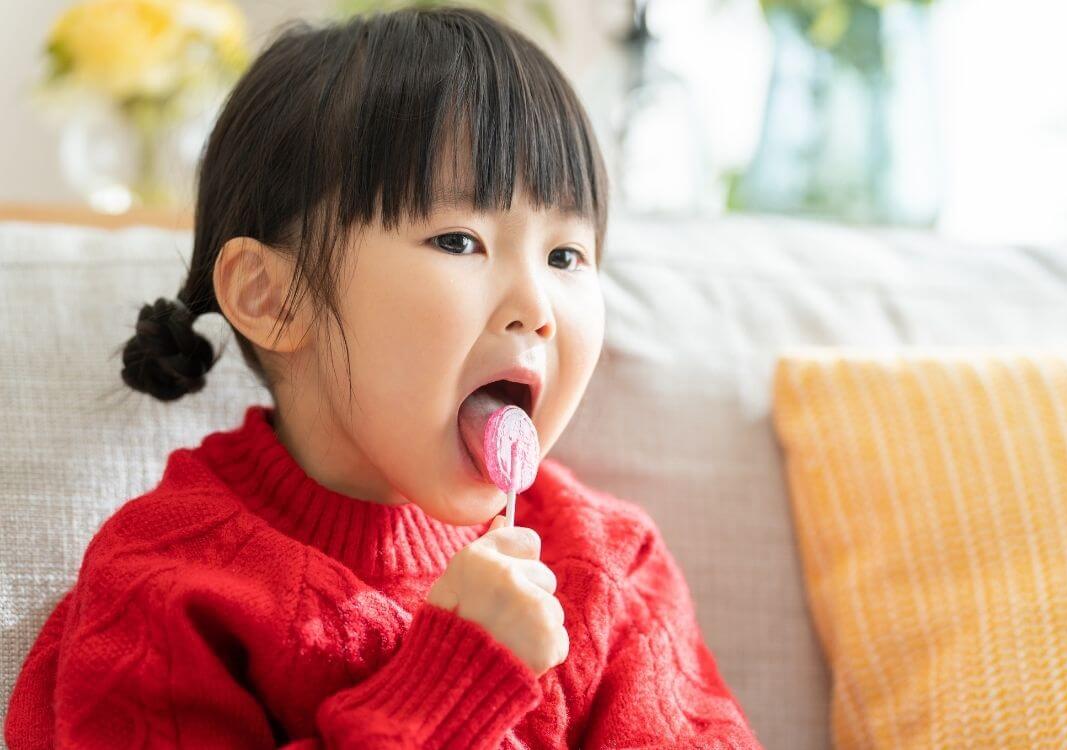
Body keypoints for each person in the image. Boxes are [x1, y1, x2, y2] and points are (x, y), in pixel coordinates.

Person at [4, 6, 762, 748]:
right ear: (274, 297)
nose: (536, 307)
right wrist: (452, 683)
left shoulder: (608, 565)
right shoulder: (167, 582)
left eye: (565, 256)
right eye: (460, 239)